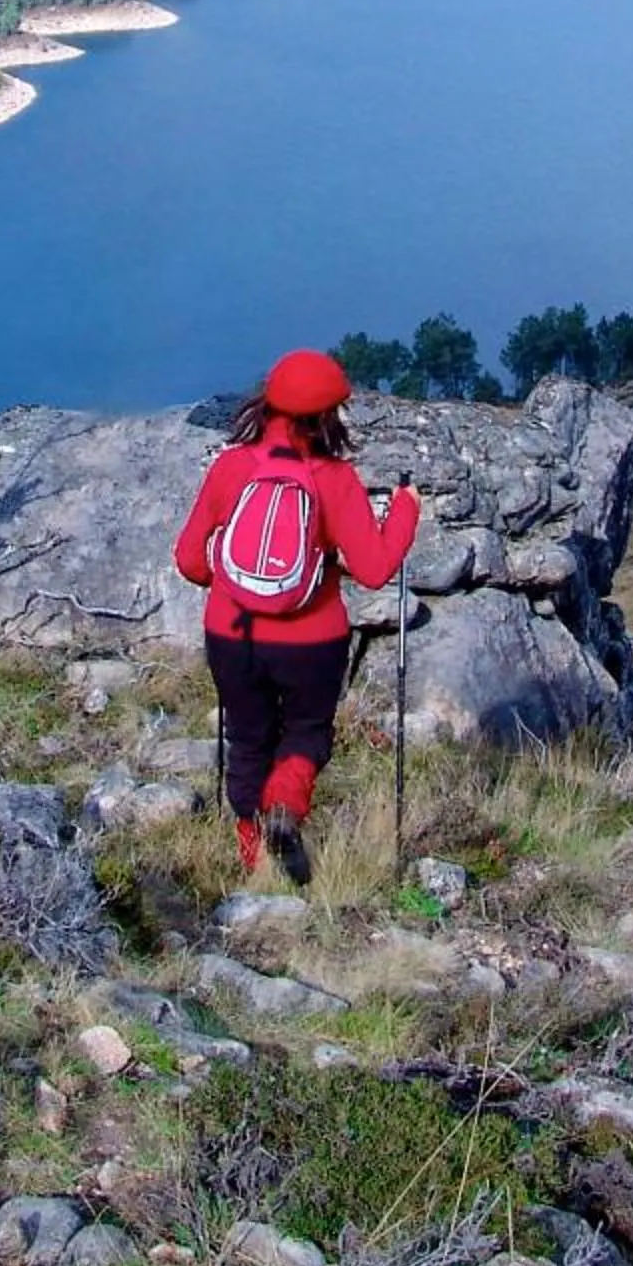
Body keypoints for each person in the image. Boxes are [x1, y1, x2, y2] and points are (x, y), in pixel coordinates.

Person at [172, 348, 418, 883]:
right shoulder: (334, 478)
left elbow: (189, 560)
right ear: (328, 416)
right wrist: (405, 511)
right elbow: (374, 569)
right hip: (313, 640)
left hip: (231, 634)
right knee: (306, 731)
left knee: (248, 737)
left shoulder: (232, 466)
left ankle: (251, 853)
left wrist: (235, 583)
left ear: (267, 404)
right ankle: (285, 803)